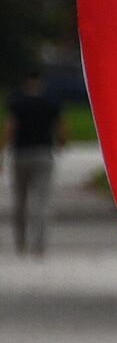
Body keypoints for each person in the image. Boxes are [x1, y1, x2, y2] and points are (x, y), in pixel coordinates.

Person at [6, 68, 65, 259]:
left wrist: (4, 150)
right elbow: (61, 125)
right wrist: (62, 142)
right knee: (40, 200)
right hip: (43, 153)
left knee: (20, 200)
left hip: (21, 153)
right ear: (40, 82)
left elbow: (10, 127)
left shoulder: (17, 102)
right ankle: (38, 243)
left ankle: (21, 241)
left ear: (25, 82)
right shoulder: (50, 102)